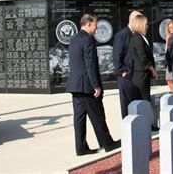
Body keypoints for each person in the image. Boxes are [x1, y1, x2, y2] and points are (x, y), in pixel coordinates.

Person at [66, 14, 119, 156]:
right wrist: (96, 85)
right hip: (86, 85)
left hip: (75, 85)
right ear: (88, 24)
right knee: (97, 115)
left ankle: (81, 148)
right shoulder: (88, 40)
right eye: (95, 25)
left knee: (79, 118)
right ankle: (107, 144)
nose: (96, 28)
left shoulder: (74, 40)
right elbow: (90, 65)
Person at [113, 11, 140, 119]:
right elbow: (116, 56)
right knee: (127, 104)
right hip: (126, 76)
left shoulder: (138, 34)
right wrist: (122, 72)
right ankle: (128, 126)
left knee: (138, 102)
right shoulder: (121, 35)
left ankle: (140, 123)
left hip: (137, 75)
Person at [129, 14, 158, 102]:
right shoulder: (137, 39)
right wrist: (153, 70)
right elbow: (143, 57)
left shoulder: (141, 37)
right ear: (140, 25)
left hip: (143, 74)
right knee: (143, 101)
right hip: (140, 75)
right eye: (146, 24)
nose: (148, 26)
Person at [164, 19, 173, 92]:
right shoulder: (168, 36)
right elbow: (166, 48)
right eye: (169, 28)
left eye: (172, 27)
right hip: (168, 59)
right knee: (168, 78)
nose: (170, 29)